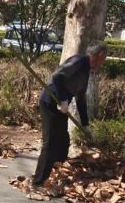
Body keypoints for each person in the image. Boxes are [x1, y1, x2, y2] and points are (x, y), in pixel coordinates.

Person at [32, 42, 107, 191]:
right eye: (104, 59)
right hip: (50, 102)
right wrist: (62, 99)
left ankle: (57, 175)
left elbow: (81, 100)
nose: (103, 63)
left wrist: (85, 125)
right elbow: (57, 76)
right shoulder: (79, 61)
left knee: (63, 142)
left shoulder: (87, 71)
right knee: (50, 142)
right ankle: (38, 182)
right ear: (99, 55)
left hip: (61, 108)